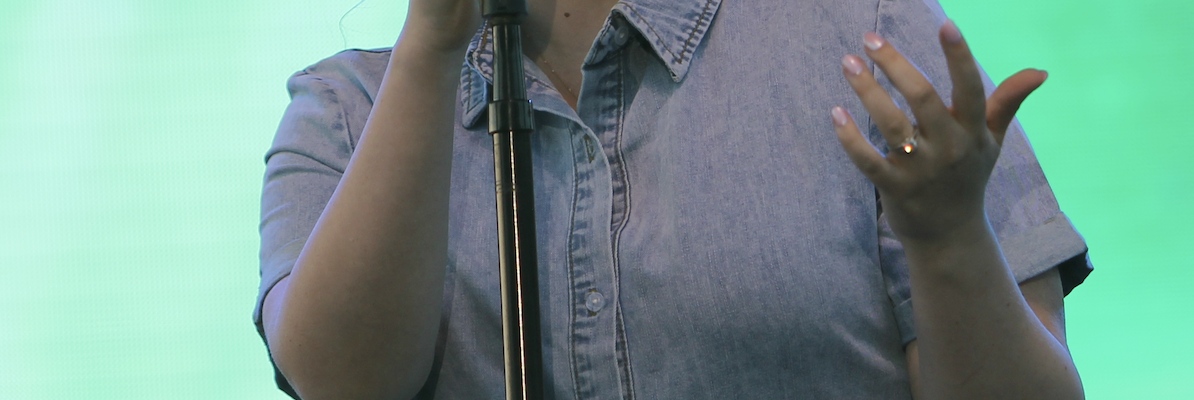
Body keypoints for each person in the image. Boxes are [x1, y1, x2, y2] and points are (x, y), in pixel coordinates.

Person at [253, 0, 1093, 398]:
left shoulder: (860, 36)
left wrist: (949, 243)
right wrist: (434, 40)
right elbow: (341, 384)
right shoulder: (349, 108)